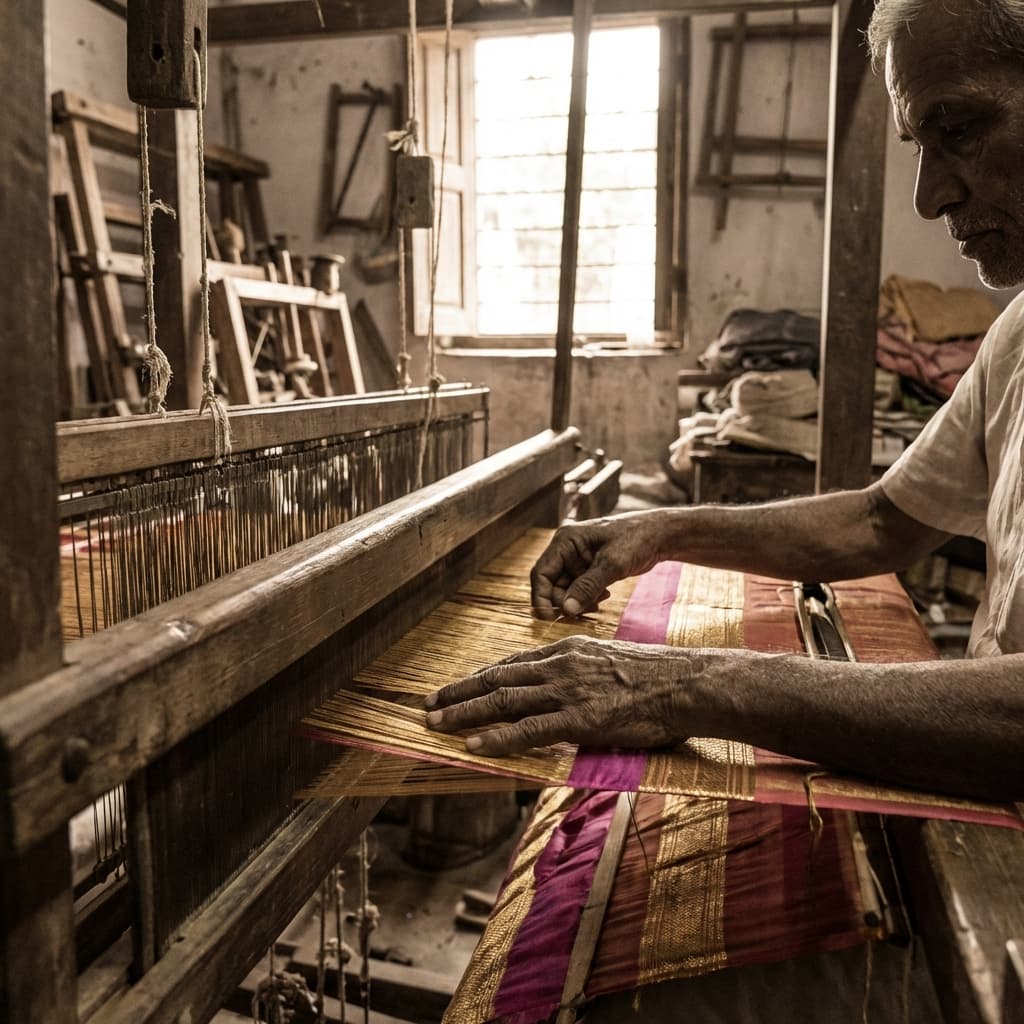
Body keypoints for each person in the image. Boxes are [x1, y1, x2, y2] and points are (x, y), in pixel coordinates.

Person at [425, 0, 1024, 805]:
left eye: (958, 128)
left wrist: (685, 686)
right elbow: (885, 521)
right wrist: (660, 531)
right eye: (919, 144)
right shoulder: (1018, 331)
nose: (929, 196)